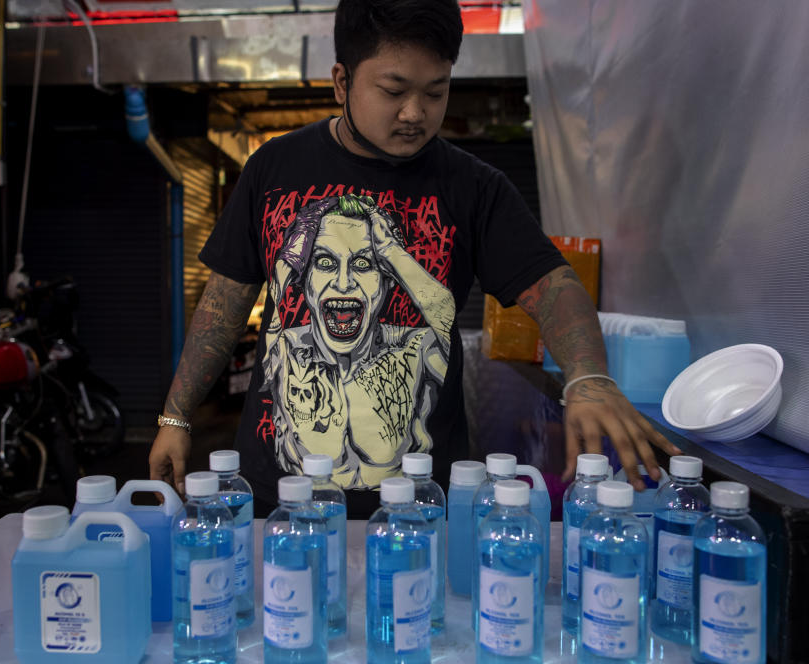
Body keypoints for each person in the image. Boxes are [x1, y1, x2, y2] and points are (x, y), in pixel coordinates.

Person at [149, 0, 681, 517]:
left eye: (436, 91)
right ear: (342, 82)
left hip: (422, 511)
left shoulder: (474, 188)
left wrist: (587, 377)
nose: (415, 113)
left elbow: (555, 285)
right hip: (279, 503)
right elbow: (224, 301)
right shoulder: (274, 169)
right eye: (394, 90)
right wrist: (176, 416)